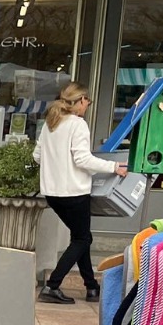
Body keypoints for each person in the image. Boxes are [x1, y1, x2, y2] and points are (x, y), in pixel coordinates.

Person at [32, 81, 128, 305]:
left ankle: (91, 287)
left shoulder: (51, 123)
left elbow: (37, 156)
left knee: (80, 237)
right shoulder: (77, 124)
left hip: (52, 193)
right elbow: (83, 159)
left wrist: (55, 164)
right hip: (74, 192)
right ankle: (52, 286)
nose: (88, 106)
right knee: (82, 238)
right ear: (81, 100)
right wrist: (114, 167)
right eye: (88, 102)